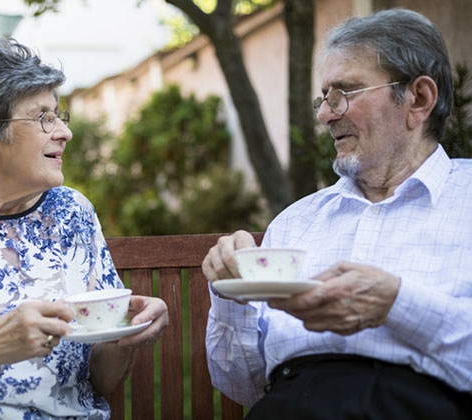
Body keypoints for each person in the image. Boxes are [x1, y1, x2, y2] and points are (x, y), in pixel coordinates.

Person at [202, 8, 471, 419]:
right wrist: (228, 295)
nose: (325, 115)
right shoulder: (295, 223)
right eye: (323, 98)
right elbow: (244, 386)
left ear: (418, 99)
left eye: (344, 93)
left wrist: (395, 305)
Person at [0, 38, 168, 419]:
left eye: (59, 115)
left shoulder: (71, 212)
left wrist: (128, 336)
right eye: (43, 118)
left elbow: (101, 382)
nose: (63, 132)